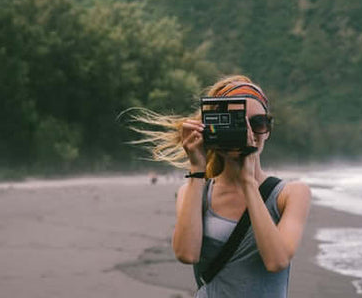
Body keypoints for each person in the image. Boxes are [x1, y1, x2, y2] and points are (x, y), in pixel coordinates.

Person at [130, 75, 311, 297]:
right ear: (213, 127)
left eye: (258, 123)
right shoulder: (194, 191)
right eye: (236, 122)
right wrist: (197, 167)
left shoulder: (291, 193)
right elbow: (186, 254)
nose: (248, 133)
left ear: (268, 130)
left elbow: (276, 261)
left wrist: (248, 183)